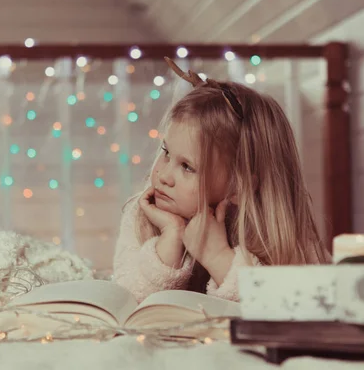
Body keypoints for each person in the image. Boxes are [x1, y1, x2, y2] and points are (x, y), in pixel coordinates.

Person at [113, 57, 330, 303]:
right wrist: (171, 238)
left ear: (240, 186)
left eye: (187, 166)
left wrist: (217, 257)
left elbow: (297, 304)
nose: (163, 176)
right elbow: (127, 301)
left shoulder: (282, 234)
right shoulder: (143, 215)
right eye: (166, 153)